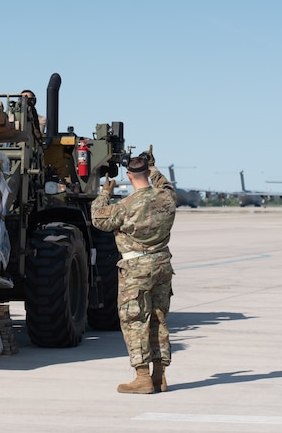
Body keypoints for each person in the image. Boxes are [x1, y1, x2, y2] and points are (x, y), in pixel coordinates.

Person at [91, 152, 177, 394]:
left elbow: (98, 218)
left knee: (135, 320)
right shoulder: (167, 198)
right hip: (162, 265)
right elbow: (165, 184)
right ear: (148, 173)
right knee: (159, 318)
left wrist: (105, 192)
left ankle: (142, 378)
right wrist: (153, 165)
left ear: (129, 176)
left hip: (136, 269)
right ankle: (160, 376)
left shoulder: (124, 208)